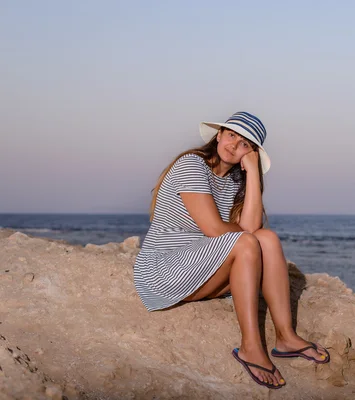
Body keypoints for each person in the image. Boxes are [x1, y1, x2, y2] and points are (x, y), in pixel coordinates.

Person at [133, 111, 329, 389]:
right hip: (165, 270)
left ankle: (286, 337)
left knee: (268, 238)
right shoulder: (192, 165)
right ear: (219, 135)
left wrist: (252, 175)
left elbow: (251, 227)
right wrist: (249, 240)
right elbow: (215, 230)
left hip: (201, 267)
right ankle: (251, 347)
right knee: (250, 241)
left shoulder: (236, 181)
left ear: (253, 153)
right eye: (231, 135)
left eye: (245, 144)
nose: (234, 145)